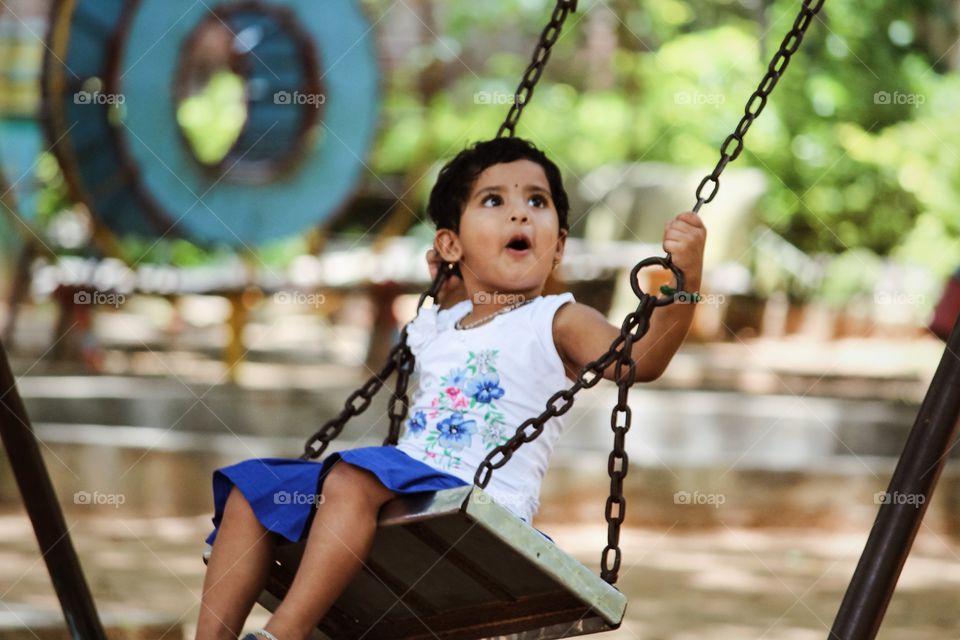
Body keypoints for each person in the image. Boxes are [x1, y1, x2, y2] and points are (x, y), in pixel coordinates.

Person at [195, 137, 706, 640]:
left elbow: (640, 360)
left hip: (478, 502)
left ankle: (282, 635)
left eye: (537, 200)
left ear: (560, 246)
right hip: (399, 490)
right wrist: (449, 281)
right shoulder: (444, 319)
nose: (520, 215)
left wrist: (684, 282)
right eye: (493, 200)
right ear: (450, 243)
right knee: (249, 488)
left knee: (351, 476)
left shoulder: (559, 319)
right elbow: (446, 308)